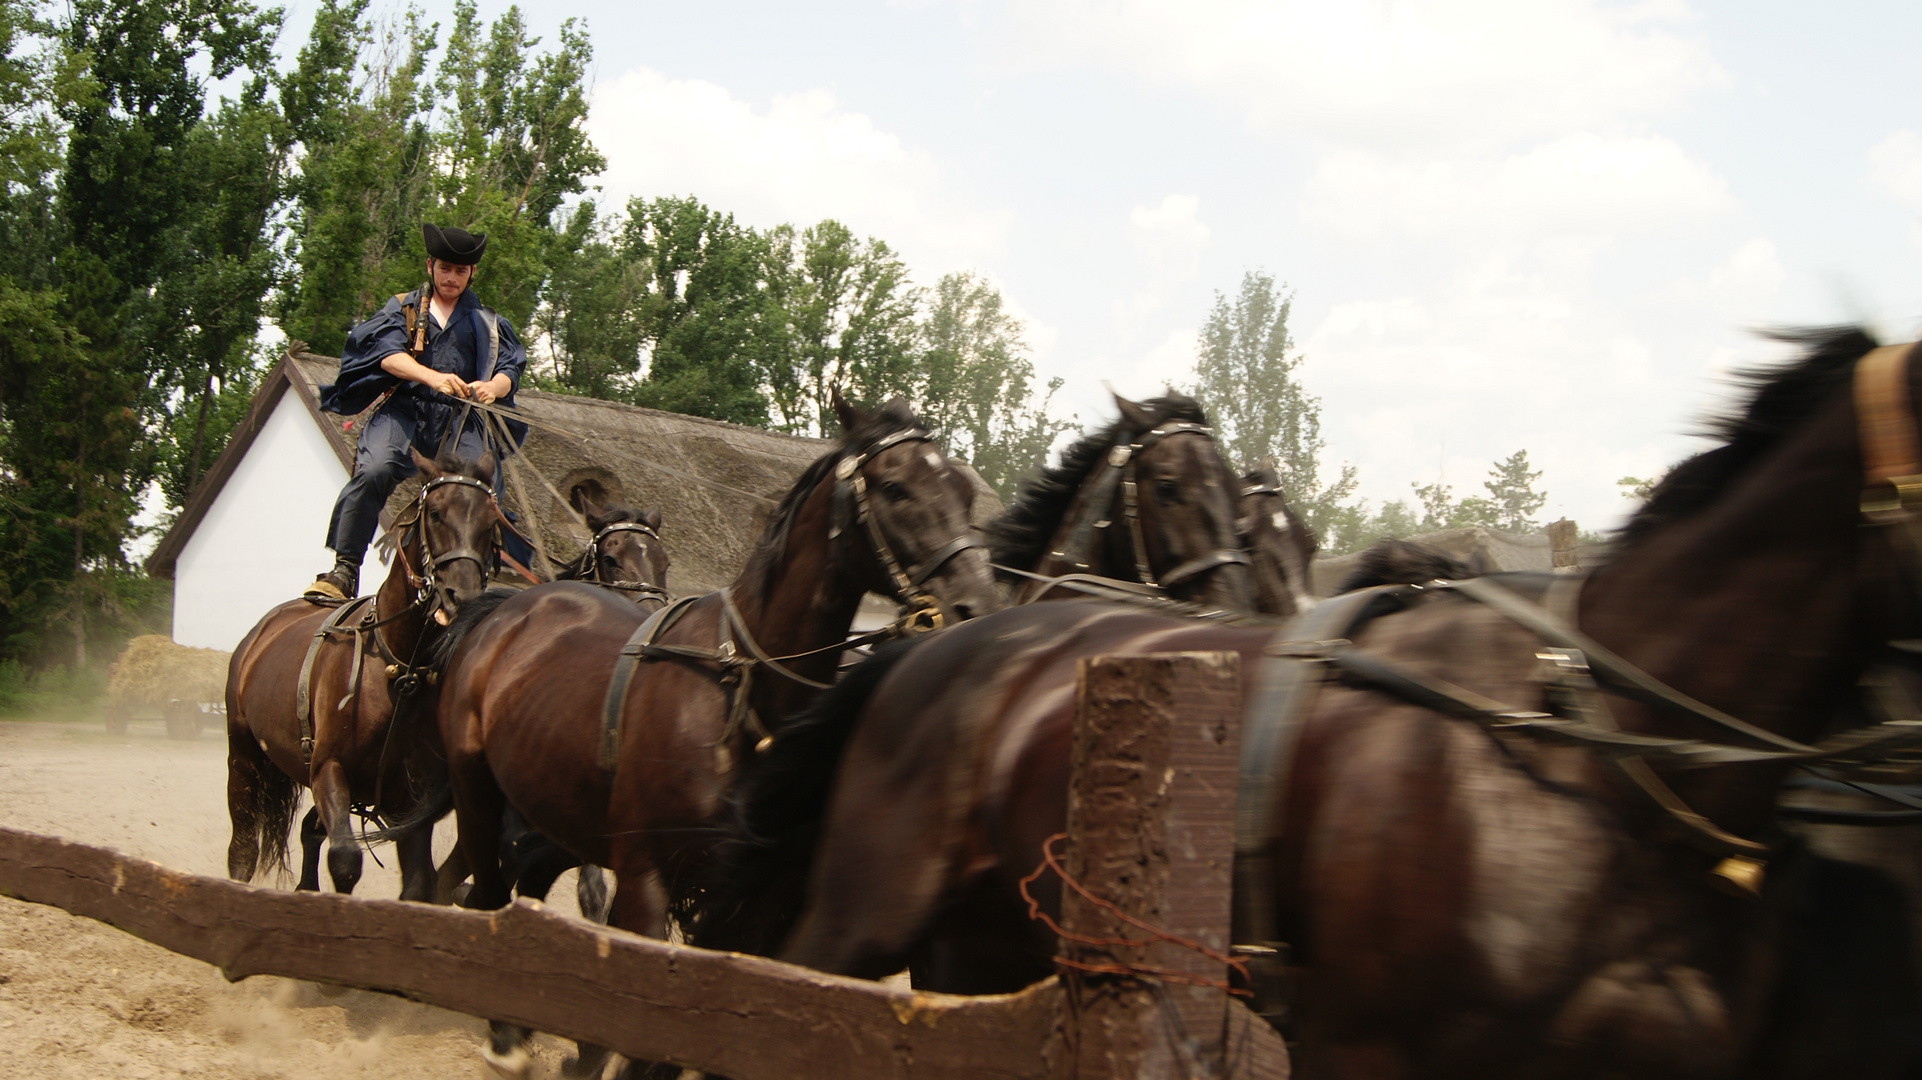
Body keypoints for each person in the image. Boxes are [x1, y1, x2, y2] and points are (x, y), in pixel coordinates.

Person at [306, 223, 530, 600]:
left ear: (472, 273)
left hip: (461, 417)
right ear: (430, 265)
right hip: (406, 410)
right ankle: (344, 570)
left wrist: (492, 387)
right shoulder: (403, 308)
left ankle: (483, 577)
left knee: (483, 486)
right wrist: (433, 378)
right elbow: (387, 357)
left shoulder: (489, 322)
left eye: (461, 271)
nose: (452, 277)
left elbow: (511, 368)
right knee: (375, 467)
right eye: (445, 268)